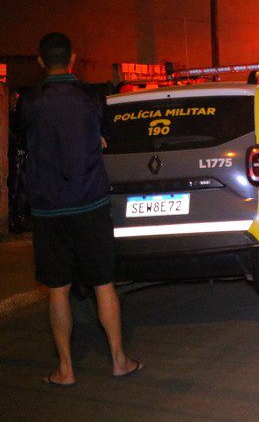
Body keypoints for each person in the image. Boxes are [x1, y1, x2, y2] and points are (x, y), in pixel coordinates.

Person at [16, 33, 141, 385]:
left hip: (49, 210)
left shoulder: (28, 101)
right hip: (91, 204)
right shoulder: (92, 97)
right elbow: (103, 136)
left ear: (41, 61)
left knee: (57, 289)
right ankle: (119, 361)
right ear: (73, 57)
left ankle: (66, 369)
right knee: (104, 284)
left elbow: (26, 140)